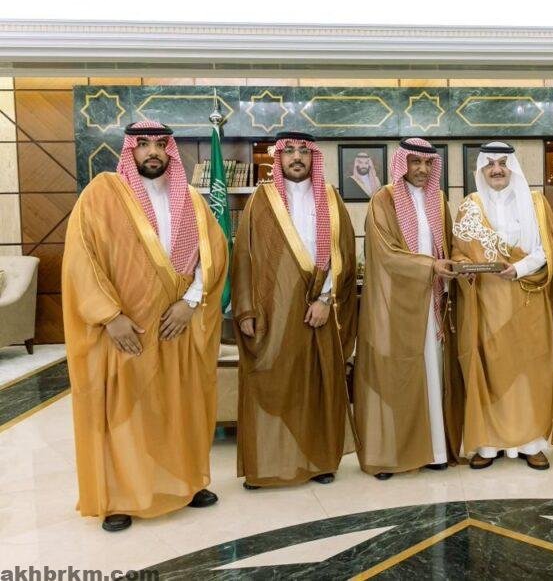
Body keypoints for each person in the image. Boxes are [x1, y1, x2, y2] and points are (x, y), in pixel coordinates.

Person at [62, 121, 227, 532]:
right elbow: (82, 258)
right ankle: (119, 497)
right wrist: (109, 316)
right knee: (125, 411)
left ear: (170, 150)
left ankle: (186, 482)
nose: (153, 151)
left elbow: (213, 254)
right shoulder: (101, 195)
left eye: (160, 144)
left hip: (176, 326)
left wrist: (190, 303)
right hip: (126, 329)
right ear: (129, 150)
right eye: (143, 144)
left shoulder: (191, 199)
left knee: (179, 408)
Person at [232, 132, 358, 489]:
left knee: (318, 384)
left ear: (313, 156)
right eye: (289, 151)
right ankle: (266, 466)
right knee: (271, 381)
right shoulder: (261, 200)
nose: (297, 157)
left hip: (320, 309)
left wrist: (326, 299)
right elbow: (244, 256)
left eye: (304, 151)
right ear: (279, 157)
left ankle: (320, 462)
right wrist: (246, 310)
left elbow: (343, 253)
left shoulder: (330, 198)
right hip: (272, 310)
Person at [354, 138, 464, 479]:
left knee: (433, 373)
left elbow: (448, 246)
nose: (422, 169)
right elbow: (385, 252)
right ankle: (391, 455)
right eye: (415, 162)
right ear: (403, 164)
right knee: (396, 378)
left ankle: (435, 451)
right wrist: (430, 266)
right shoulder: (383, 199)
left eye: (428, 163)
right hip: (395, 304)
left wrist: (458, 266)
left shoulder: (439, 200)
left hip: (433, 302)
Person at [452, 142, 553, 471]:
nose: (497, 170)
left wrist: (519, 268)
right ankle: (489, 443)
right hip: (486, 303)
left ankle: (531, 443)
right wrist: (464, 268)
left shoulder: (536, 202)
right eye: (490, 164)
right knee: (490, 369)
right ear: (481, 170)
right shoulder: (470, 206)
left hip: (527, 297)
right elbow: (458, 252)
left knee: (529, 369)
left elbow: (547, 249)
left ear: (512, 167)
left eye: (502, 163)